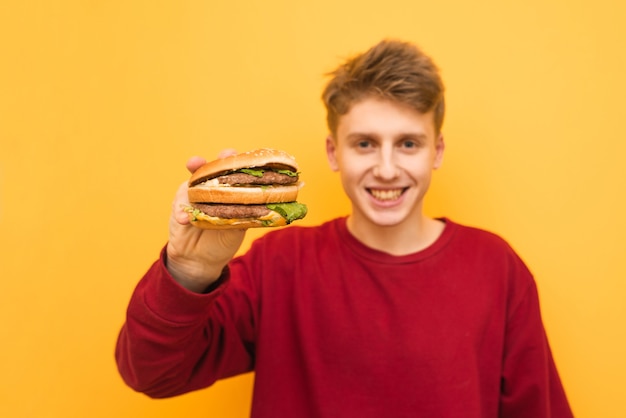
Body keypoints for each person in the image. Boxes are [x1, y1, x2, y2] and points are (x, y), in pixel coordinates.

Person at [116, 39, 573, 417]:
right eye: (365, 144)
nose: (388, 168)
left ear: (437, 151)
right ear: (334, 153)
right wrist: (190, 269)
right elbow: (152, 375)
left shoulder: (496, 268)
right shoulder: (279, 265)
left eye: (409, 143)